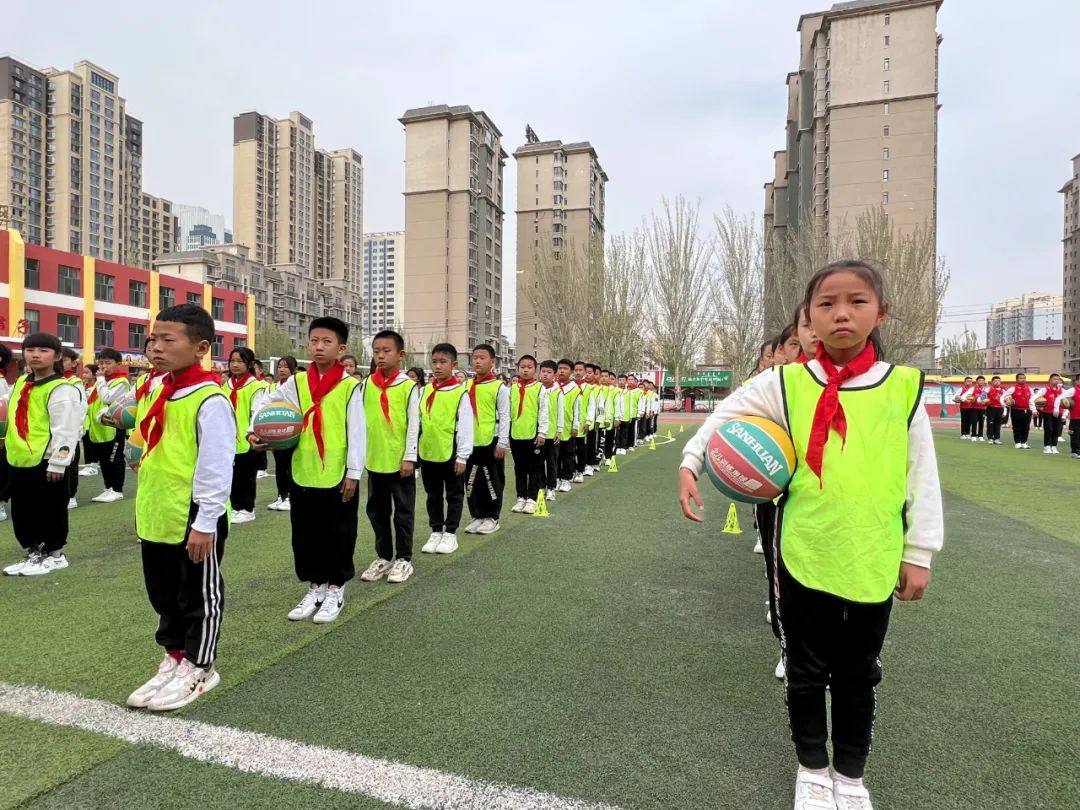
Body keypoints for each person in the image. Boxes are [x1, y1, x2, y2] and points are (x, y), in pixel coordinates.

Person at [679, 259, 943, 810]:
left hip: (873, 552)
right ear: (809, 318)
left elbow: (922, 476)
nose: (841, 313)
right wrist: (691, 461)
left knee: (858, 674)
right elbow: (727, 415)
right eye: (826, 304)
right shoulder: (785, 382)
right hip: (804, 550)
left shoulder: (903, 388)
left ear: (880, 312)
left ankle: (850, 775)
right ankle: (812, 770)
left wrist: (919, 551)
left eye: (856, 301)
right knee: (805, 672)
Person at [125, 304, 234, 711]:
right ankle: (173, 656)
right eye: (153, 338)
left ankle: (200, 665)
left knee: (198, 593)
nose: (155, 347)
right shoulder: (156, 388)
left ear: (201, 347)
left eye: (168, 340)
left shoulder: (209, 398)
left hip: (192, 514)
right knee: (163, 593)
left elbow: (216, 465)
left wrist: (206, 521)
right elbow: (145, 436)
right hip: (155, 508)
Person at [250, 319, 363, 623]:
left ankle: (336, 589)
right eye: (314, 341)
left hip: (337, 473)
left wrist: (353, 472)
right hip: (302, 470)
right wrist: (256, 432)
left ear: (341, 349)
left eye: (327, 342)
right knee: (305, 535)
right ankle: (316, 587)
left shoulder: (350, 386)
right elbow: (267, 404)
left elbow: (357, 431)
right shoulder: (297, 383)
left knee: (338, 534)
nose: (318, 346)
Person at [2, 333, 85, 576]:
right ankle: (33, 553)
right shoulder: (21, 382)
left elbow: (67, 428)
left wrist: (59, 463)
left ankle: (55, 554)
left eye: (43, 350)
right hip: (19, 458)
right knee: (23, 511)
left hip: (46, 460)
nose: (35, 355)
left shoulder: (61, 388)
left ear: (57, 356)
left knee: (50, 508)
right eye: (30, 349)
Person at [358, 330, 420, 584]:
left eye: (387, 351)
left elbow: (414, 424)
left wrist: (409, 457)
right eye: (376, 351)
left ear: (400, 355)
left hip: (399, 462)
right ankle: (383, 556)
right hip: (374, 460)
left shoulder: (408, 386)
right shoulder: (366, 384)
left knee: (403, 511)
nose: (381, 356)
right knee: (377, 511)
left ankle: (404, 558)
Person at [418, 343, 473, 554]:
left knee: (453, 494)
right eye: (434, 362)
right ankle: (436, 530)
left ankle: (450, 533)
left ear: (454, 364)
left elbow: (466, 427)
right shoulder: (424, 390)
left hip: (451, 454)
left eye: (443, 362)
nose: (438, 366)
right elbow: (419, 422)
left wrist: (462, 456)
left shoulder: (460, 393)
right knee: (432, 495)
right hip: (429, 452)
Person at [462, 344, 509, 534]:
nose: (477, 361)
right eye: (475, 358)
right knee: (472, 480)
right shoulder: (466, 386)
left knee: (492, 479)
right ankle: (477, 515)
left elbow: (505, 416)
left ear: (492, 362)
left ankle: (492, 517)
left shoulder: (499, 387)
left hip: (490, 441)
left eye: (482, 358)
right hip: (469, 442)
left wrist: (502, 442)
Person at [222, 347, 264, 523]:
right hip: (227, 438)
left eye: (240, 361)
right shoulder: (226, 385)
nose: (235, 365)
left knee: (245, 475)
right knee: (230, 475)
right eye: (232, 361)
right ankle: (234, 507)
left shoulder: (256, 386)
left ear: (250, 364)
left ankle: (247, 508)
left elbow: (257, 412)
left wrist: (251, 433)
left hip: (247, 438)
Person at [89, 348, 133, 503]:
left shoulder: (121, 381)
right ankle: (108, 487)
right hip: (100, 427)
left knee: (115, 458)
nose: (103, 367)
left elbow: (107, 398)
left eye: (107, 363)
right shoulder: (102, 382)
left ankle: (117, 489)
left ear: (118, 364)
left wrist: (100, 380)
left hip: (114, 427)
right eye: (100, 363)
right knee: (104, 460)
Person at [508, 354, 549, 515]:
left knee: (534, 468)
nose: (525, 370)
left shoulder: (540, 388)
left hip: (533, 435)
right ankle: (521, 497)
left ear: (535, 370)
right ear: (518, 368)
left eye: (529, 367)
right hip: (516, 435)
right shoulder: (513, 388)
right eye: (522, 367)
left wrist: (542, 433)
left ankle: (532, 498)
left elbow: (544, 412)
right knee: (519, 468)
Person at [266, 356, 299, 512]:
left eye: (285, 367)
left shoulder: (296, 386)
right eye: (280, 366)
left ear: (292, 369)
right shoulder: (272, 388)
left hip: (291, 431)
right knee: (279, 465)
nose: (282, 369)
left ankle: (291, 496)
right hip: (275, 431)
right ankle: (281, 495)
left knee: (289, 465)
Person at [60, 347, 86, 510]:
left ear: (73, 363)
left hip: (69, 433)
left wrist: (74, 432)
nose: (60, 363)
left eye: (64, 360)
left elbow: (81, 409)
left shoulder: (74, 382)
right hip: (55, 433)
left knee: (70, 466)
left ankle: (71, 496)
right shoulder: (55, 380)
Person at [538, 360, 564, 501]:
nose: (546, 375)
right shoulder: (537, 389)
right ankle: (541, 486)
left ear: (554, 375)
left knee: (552, 462)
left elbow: (560, 412)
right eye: (543, 372)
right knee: (539, 462)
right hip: (539, 434)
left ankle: (552, 487)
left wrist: (559, 430)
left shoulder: (557, 391)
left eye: (549, 372)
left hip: (552, 433)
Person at [555, 359, 581, 492]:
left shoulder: (575, 389)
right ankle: (557, 477)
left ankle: (566, 479)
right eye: (559, 368)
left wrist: (575, 426)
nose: (561, 371)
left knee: (568, 454)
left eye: (565, 368)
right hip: (554, 428)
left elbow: (577, 409)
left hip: (568, 427)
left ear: (570, 371)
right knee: (555, 456)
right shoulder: (553, 387)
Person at [77, 364, 99, 481]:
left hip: (95, 419)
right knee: (86, 442)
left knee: (93, 443)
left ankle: (93, 466)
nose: (84, 375)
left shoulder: (98, 385)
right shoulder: (83, 385)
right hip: (85, 419)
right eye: (83, 372)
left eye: (87, 372)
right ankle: (88, 465)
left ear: (94, 374)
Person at [1035, 373, 1065, 454]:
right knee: (1049, 429)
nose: (1056, 381)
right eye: (1054, 379)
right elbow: (1035, 398)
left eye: (1058, 379)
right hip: (1048, 412)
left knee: (1056, 430)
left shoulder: (1062, 390)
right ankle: (1047, 446)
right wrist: (1038, 407)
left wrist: (1065, 413)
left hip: (1059, 412)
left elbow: (1067, 401)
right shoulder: (1044, 389)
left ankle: (1054, 446)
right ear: (1050, 380)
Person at [1003, 372, 1033, 449]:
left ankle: (1024, 442)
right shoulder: (1012, 388)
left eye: (1024, 378)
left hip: (1027, 410)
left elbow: (1032, 400)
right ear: (1017, 379)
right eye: (1021, 378)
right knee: (1017, 427)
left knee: (1026, 427)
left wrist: (1034, 410)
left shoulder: (1029, 389)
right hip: (1016, 410)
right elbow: (1004, 397)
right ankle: (1017, 442)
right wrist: (1008, 401)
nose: (1023, 379)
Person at [1053, 379, 1079, 458]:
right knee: (1076, 435)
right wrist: (1056, 409)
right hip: (1075, 417)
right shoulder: (1073, 390)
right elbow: (1058, 398)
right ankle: (1075, 452)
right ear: (1077, 381)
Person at [984, 376, 1007, 445]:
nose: (997, 382)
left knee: (998, 424)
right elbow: (981, 397)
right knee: (990, 423)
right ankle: (990, 438)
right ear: (992, 382)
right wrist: (984, 401)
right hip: (991, 408)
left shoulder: (1003, 391)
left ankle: (997, 438)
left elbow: (1005, 402)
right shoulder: (988, 389)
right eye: (995, 381)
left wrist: (1005, 411)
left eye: (998, 381)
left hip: (1000, 409)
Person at [955, 376, 975, 440]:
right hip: (963, 407)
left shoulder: (973, 389)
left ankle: (968, 433)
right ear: (964, 382)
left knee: (970, 421)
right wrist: (961, 398)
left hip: (971, 407)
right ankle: (963, 433)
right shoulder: (961, 389)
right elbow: (956, 397)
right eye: (968, 381)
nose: (969, 383)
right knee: (964, 420)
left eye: (970, 382)